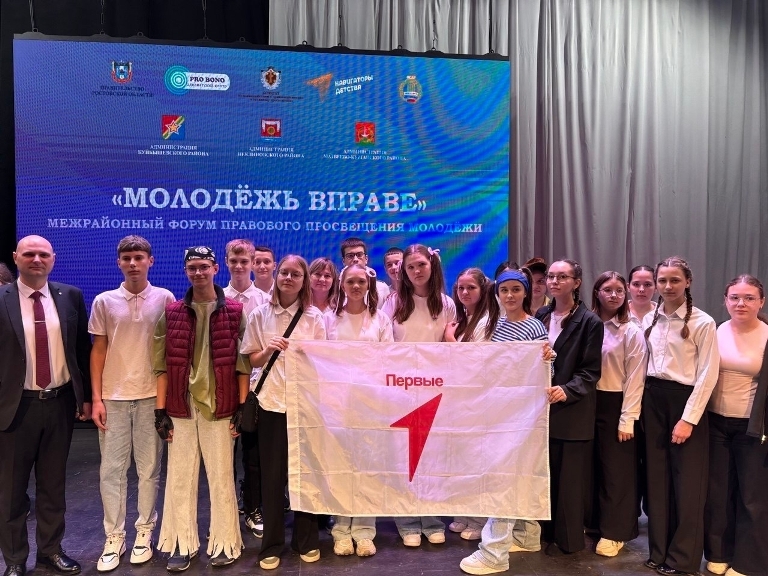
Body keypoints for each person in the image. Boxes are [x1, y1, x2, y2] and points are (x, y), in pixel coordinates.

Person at [152, 246, 250, 572]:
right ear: (186, 271)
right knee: (180, 477)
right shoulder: (172, 312)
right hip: (181, 406)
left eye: (204, 266)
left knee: (221, 477)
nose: (198, 272)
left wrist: (242, 406)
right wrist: (160, 411)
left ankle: (225, 542)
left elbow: (243, 366)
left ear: (215, 268)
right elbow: (162, 366)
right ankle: (182, 543)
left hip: (220, 407)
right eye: (192, 267)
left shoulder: (235, 311)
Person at [0, 235, 92, 576]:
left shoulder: (71, 296)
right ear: (16, 257)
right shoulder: (1, 299)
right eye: (29, 254)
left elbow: (81, 350)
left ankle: (50, 551)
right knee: (11, 491)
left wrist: (84, 397)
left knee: (53, 486)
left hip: (59, 404)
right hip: (14, 408)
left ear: (53, 258)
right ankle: (14, 560)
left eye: (43, 254)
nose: (36, 259)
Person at [459, 268, 553, 574]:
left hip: (522, 414)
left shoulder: (534, 327)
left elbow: (544, 370)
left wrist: (548, 359)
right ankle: (527, 535)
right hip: (498, 410)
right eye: (504, 290)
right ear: (497, 293)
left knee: (505, 478)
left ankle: (494, 553)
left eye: (516, 289)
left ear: (526, 292)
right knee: (516, 473)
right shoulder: (496, 323)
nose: (510, 295)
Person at [89, 236, 175, 572]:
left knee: (149, 469)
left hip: (152, 396)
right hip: (113, 398)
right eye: (127, 258)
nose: (133, 263)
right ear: (119, 263)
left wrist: (166, 402)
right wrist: (96, 398)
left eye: (139, 257)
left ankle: (144, 532)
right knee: (111, 471)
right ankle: (114, 536)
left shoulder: (165, 299)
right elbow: (98, 350)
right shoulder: (104, 301)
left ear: (150, 261)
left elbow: (170, 352)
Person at [240, 255, 327, 570]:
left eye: (296, 274)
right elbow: (251, 359)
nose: (289, 278)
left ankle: (306, 540)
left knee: (305, 475)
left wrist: (307, 355)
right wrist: (268, 350)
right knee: (272, 477)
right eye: (285, 273)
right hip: (272, 403)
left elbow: (324, 362)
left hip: (305, 406)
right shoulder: (260, 314)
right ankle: (272, 544)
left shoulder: (315, 318)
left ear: (304, 281)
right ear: (277, 276)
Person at [642, 256, 719, 576]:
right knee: (657, 481)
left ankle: (683, 559)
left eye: (675, 280)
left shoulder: (703, 322)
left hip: (685, 401)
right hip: (653, 400)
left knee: (687, 485)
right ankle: (659, 551)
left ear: (687, 282)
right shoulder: (650, 318)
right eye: (662, 280)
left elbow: (708, 374)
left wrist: (689, 419)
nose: (668, 286)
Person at [382, 244, 456, 547]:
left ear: (432, 265)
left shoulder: (446, 303)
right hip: (400, 390)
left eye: (421, 265)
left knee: (431, 459)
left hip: (433, 391)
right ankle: (408, 521)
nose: (416, 271)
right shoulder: (393, 302)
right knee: (405, 459)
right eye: (410, 267)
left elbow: (450, 347)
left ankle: (432, 519)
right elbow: (383, 347)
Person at [325, 264, 394, 558]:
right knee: (341, 468)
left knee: (368, 468)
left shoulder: (380, 319)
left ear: (368, 286)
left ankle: (365, 531)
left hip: (370, 405)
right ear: (342, 284)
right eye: (350, 281)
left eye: (361, 282)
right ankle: (341, 530)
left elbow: (389, 359)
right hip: (337, 406)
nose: (356, 286)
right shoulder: (329, 319)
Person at [536, 259, 603, 555]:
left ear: (576, 283)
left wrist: (567, 390)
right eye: (551, 276)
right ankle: (544, 535)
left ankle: (569, 541)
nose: (554, 281)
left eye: (562, 277)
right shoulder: (541, 314)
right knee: (546, 477)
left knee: (570, 483)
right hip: (543, 410)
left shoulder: (590, 322)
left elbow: (590, 371)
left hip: (572, 411)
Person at [703, 275, 768, 576]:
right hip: (715, 425)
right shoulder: (715, 330)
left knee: (751, 497)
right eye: (735, 297)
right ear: (725, 301)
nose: (741, 303)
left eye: (749, 298)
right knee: (718, 492)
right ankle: (719, 553)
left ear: (761, 302)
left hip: (752, 429)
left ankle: (748, 563)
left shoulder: (766, 335)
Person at [590, 272, 646, 558]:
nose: (614, 295)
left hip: (616, 402)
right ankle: (594, 523)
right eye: (608, 290)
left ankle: (616, 532)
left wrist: (627, 419)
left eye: (619, 291)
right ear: (596, 292)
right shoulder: (587, 324)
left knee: (617, 472)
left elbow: (636, 379)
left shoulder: (630, 331)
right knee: (592, 469)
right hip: (587, 402)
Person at [444, 268, 499, 541]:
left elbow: (476, 364)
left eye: (471, 288)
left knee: (477, 461)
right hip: (459, 402)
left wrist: (450, 342)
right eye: (460, 287)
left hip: (478, 401)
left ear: (483, 289)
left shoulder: (488, 321)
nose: (464, 292)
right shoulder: (461, 319)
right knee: (461, 461)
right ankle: (463, 513)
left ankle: (479, 519)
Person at [222, 239, 269, 540]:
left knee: (253, 456)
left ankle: (253, 508)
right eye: (234, 261)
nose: (239, 266)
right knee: (224, 456)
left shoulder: (266, 300)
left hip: (256, 388)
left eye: (244, 261)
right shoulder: (217, 297)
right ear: (226, 262)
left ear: (253, 263)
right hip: (225, 386)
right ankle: (225, 513)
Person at [340, 238, 389, 308]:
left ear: (366, 259)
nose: (355, 259)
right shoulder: (336, 288)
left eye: (359, 255)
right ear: (343, 261)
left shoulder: (382, 288)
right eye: (350, 256)